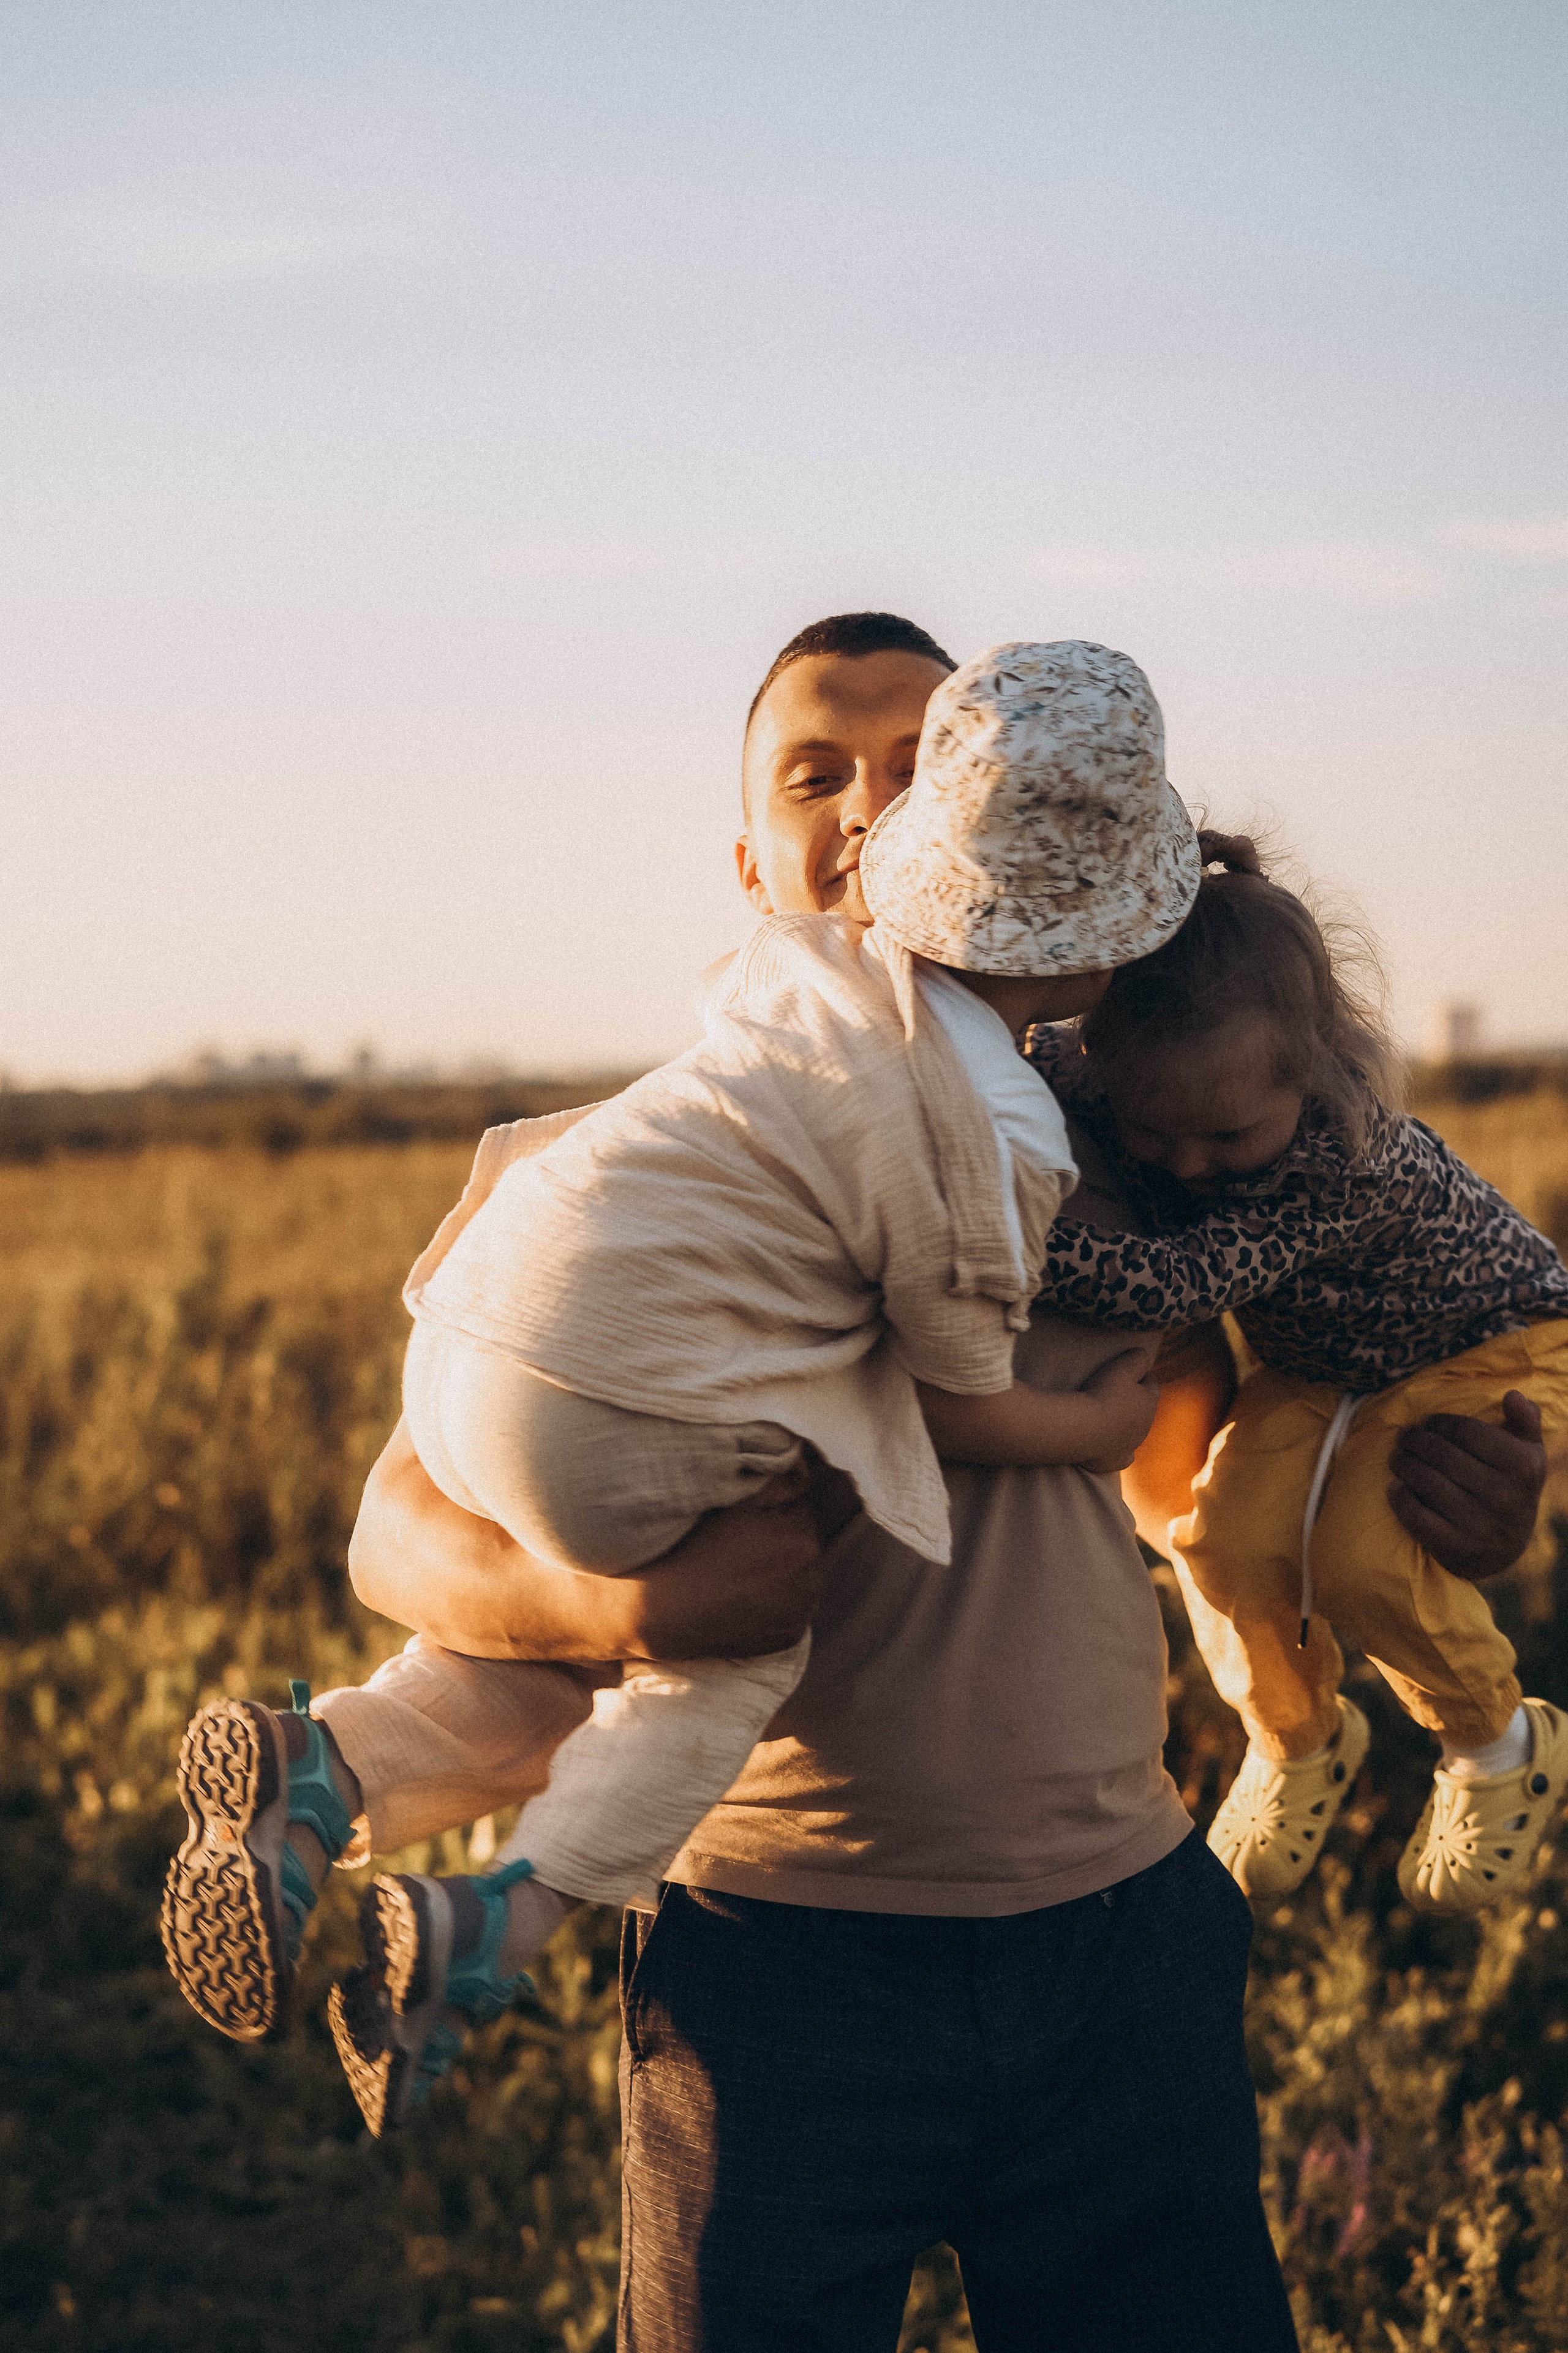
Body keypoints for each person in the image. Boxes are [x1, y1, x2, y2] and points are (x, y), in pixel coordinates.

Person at [186, 616, 1550, 2349]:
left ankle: (379, 1828)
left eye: (914, 768)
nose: (865, 804)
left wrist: (1482, 1502)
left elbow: (1273, 1422)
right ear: (748, 858)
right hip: (778, 1962)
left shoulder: (1127, 1150)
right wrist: (639, 1608)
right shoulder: (630, 1177)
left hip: (1118, 1939)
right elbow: (399, 1527)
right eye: (813, 772)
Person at [1029, 831, 1568, 1907]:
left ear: (1313, 1067)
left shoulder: (1339, 1161)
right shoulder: (1142, 1075)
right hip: (1322, 1364)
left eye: (1228, 1137)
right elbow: (1034, 1054)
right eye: (1155, 1130)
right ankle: (1297, 1738)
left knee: (1365, 1555)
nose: (1188, 1163)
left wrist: (1016, 1234)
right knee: (1220, 1540)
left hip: (1482, 1342)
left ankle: (1501, 1743)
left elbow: (1172, 1283)